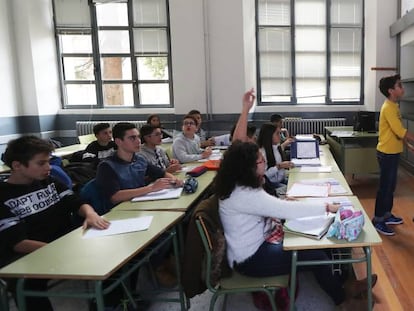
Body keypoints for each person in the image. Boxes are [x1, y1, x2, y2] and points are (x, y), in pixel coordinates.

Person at [213, 141, 377, 310]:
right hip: (250, 260)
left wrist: (282, 203)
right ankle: (343, 302)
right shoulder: (243, 194)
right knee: (317, 257)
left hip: (256, 244)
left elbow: (267, 207)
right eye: (261, 161)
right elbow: (285, 210)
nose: (265, 163)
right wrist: (327, 207)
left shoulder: (239, 186)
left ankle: (345, 284)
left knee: (321, 245)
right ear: (247, 167)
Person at [0, 136, 109, 311]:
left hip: (60, 244)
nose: (49, 167)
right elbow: (18, 243)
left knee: (113, 256)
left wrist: (90, 214)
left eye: (48, 162)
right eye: (41, 163)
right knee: (28, 286)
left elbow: (75, 201)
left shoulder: (48, 181)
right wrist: (62, 252)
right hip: (26, 255)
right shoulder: (3, 196)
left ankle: (112, 303)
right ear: (17, 165)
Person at [96, 122, 183, 207]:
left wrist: (174, 180)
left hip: (140, 204)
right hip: (120, 211)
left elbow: (162, 173)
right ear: (118, 142)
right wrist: (151, 188)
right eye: (132, 138)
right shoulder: (107, 166)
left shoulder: (139, 159)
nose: (138, 141)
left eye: (138, 137)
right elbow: (114, 197)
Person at [373, 74, 414, 236]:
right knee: (384, 188)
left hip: (393, 152)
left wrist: (407, 145)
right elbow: (401, 131)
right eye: (399, 85)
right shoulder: (388, 108)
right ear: (391, 91)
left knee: (390, 187)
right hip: (387, 153)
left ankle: (387, 215)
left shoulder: (394, 106)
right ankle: (377, 219)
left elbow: (397, 132)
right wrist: (408, 140)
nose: (402, 88)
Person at [257, 123, 293, 196]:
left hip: (280, 178)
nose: (280, 136)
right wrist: (278, 167)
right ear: (269, 136)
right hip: (271, 184)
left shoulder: (276, 146)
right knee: (290, 189)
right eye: (277, 134)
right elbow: (264, 176)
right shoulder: (262, 153)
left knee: (295, 181)